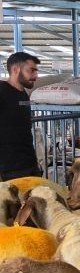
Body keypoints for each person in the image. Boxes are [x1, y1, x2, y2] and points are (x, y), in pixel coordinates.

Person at [0, 52, 41, 181]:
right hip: (8, 169)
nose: (35, 76)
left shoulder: (23, 94)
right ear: (15, 69)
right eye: (32, 70)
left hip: (28, 163)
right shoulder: (2, 91)